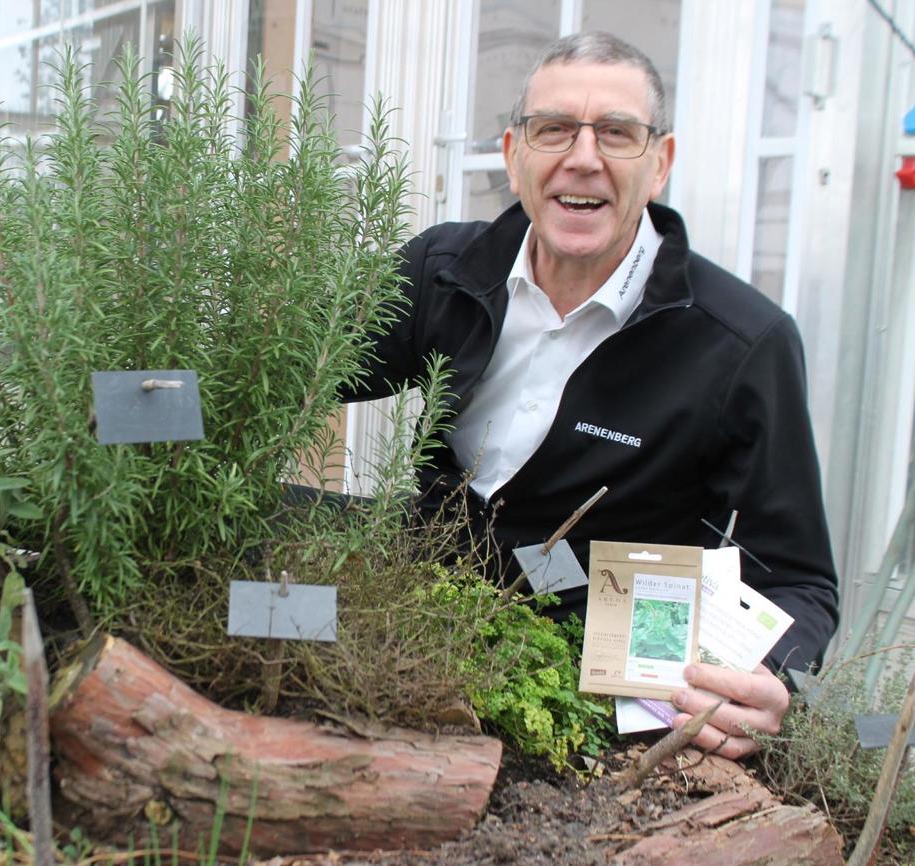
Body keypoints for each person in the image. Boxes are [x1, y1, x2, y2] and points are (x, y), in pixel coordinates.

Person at [346, 31, 838, 759]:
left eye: (617, 132)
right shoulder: (444, 270)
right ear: (514, 157)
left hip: (593, 698)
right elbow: (290, 370)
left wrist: (774, 677)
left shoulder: (739, 345)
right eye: (554, 130)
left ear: (660, 163)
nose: (583, 157)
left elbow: (799, 579)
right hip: (418, 639)